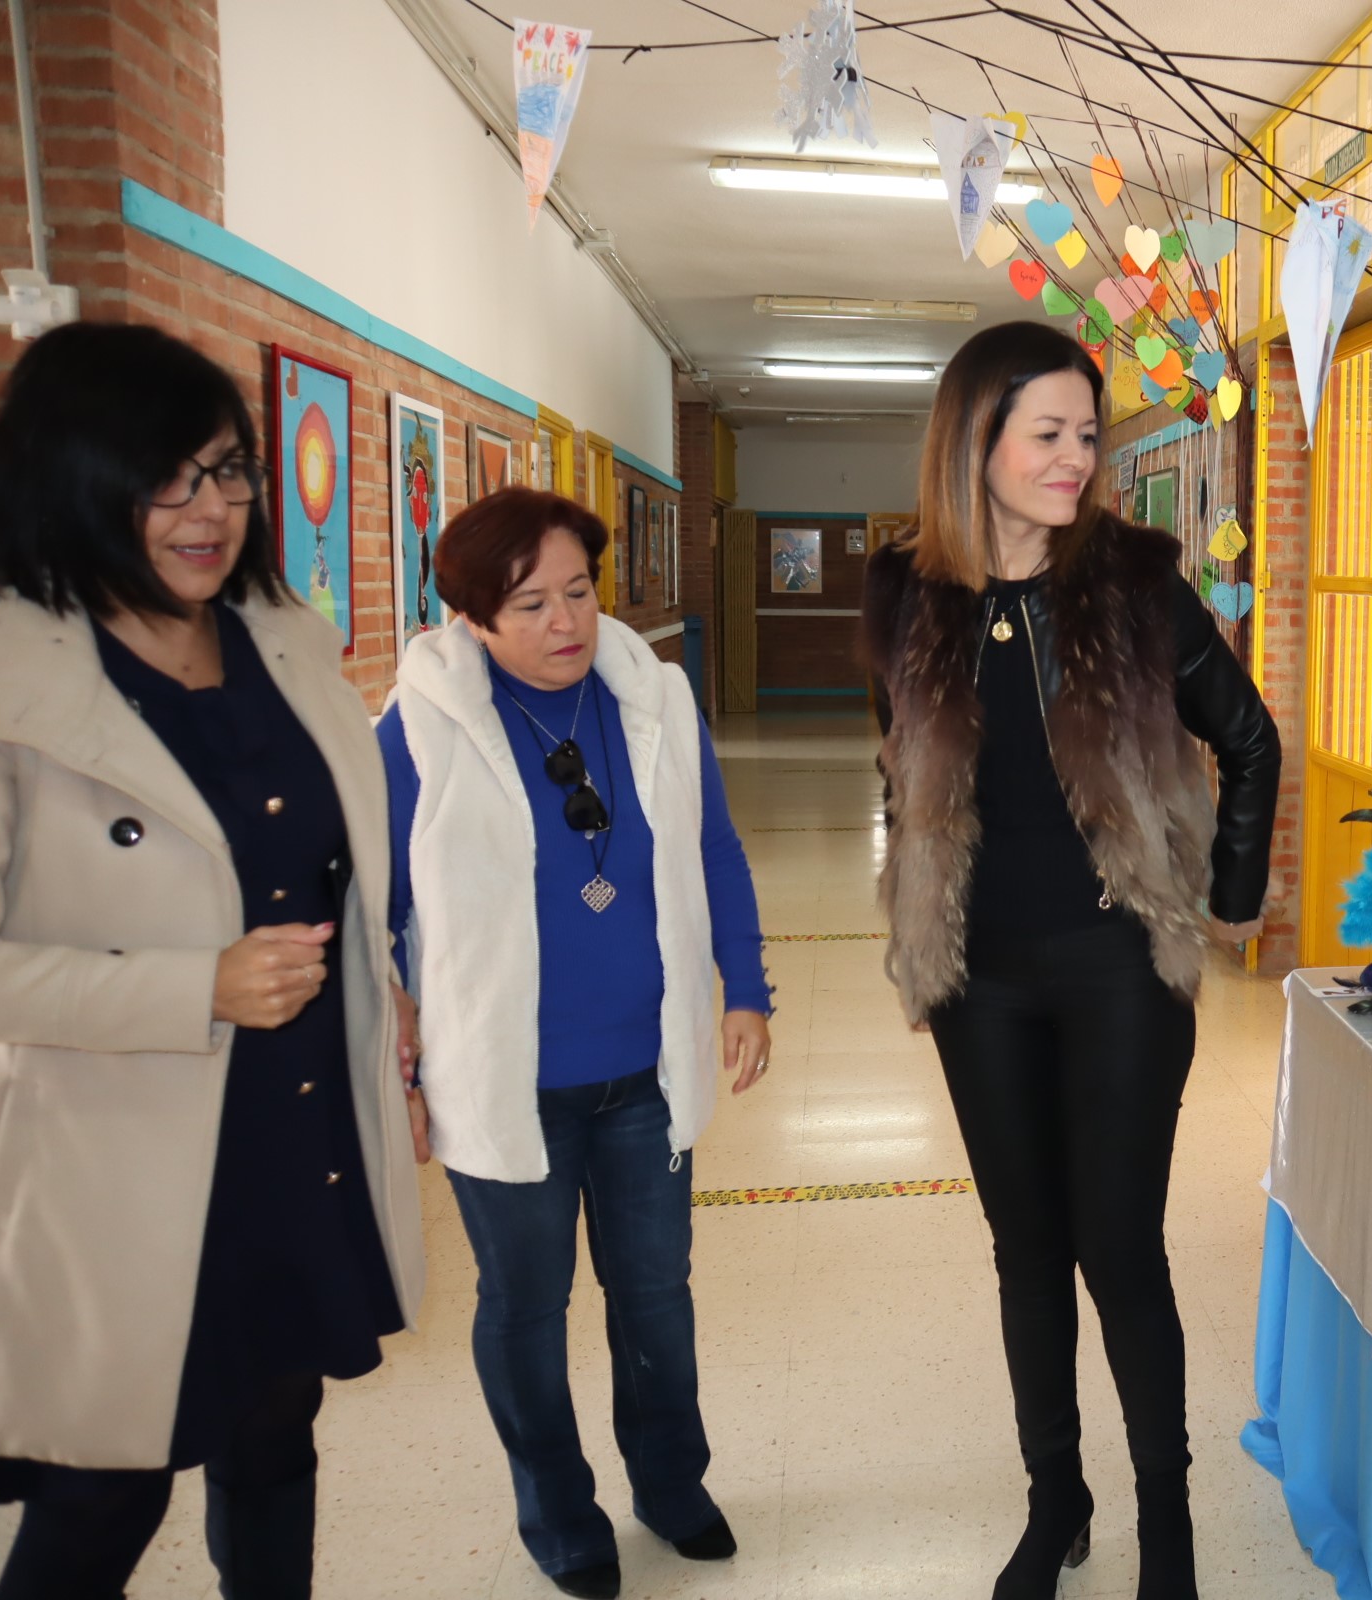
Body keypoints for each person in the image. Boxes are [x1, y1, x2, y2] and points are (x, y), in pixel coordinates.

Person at [0, 322, 424, 1598]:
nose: (213, 510)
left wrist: (381, 993)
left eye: (230, 471)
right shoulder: (20, 677)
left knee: (275, 1437)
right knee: (101, 1493)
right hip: (129, 1152)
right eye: (166, 479)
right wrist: (194, 985)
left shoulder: (280, 637)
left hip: (298, 1122)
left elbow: (331, 865)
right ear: (71, 478)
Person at [862, 321, 1281, 1600]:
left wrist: (1223, 899)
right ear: (973, 440)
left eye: (1086, 435)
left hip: (1116, 974)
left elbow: (1251, 739)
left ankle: (1171, 1527)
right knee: (1023, 1249)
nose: (1076, 458)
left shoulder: (1138, 581)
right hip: (980, 975)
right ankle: (1058, 1503)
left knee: (1121, 1247)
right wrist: (920, 914)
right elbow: (900, 766)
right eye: (1047, 434)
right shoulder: (902, 591)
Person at [378, 487, 771, 1600]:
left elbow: (715, 850)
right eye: (531, 604)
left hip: (642, 1073)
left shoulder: (654, 702)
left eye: (581, 593)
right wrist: (392, 1047)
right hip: (504, 1080)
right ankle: (558, 1509)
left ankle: (671, 1483)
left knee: (656, 1294)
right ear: (471, 618)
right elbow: (367, 904)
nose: (566, 623)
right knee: (526, 1306)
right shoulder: (417, 730)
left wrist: (746, 987)